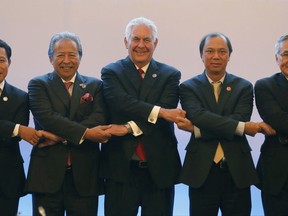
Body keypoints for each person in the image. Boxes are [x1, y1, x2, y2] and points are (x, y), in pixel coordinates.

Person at [176, 32, 275, 216]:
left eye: (222, 51)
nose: (216, 56)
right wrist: (242, 128)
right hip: (201, 172)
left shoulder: (244, 86)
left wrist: (197, 130)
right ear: (201, 55)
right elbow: (199, 115)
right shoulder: (188, 87)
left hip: (237, 170)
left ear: (229, 55)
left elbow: (240, 116)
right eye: (210, 51)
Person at [25, 31, 122, 216]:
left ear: (80, 57)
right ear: (50, 58)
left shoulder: (95, 86)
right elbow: (48, 118)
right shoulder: (38, 85)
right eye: (60, 55)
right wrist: (87, 133)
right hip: (46, 176)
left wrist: (58, 136)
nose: (66, 60)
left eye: (72, 55)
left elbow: (99, 118)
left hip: (85, 175)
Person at [101, 17, 185, 216]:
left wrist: (128, 127)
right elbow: (121, 102)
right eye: (135, 39)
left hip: (159, 170)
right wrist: (160, 112)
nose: (141, 45)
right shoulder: (111, 72)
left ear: (155, 43)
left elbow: (165, 115)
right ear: (125, 42)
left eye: (147, 40)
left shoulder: (170, 75)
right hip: (121, 168)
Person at [0, 39, 61, 216]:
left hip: (7, 180)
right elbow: (20, 131)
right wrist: (17, 129)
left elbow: (19, 134)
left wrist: (19, 131)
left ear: (9, 63)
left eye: (2, 60)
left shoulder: (20, 97)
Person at [254, 34, 288, 216]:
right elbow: (278, 120)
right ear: (277, 58)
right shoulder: (265, 86)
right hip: (277, 175)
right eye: (286, 54)